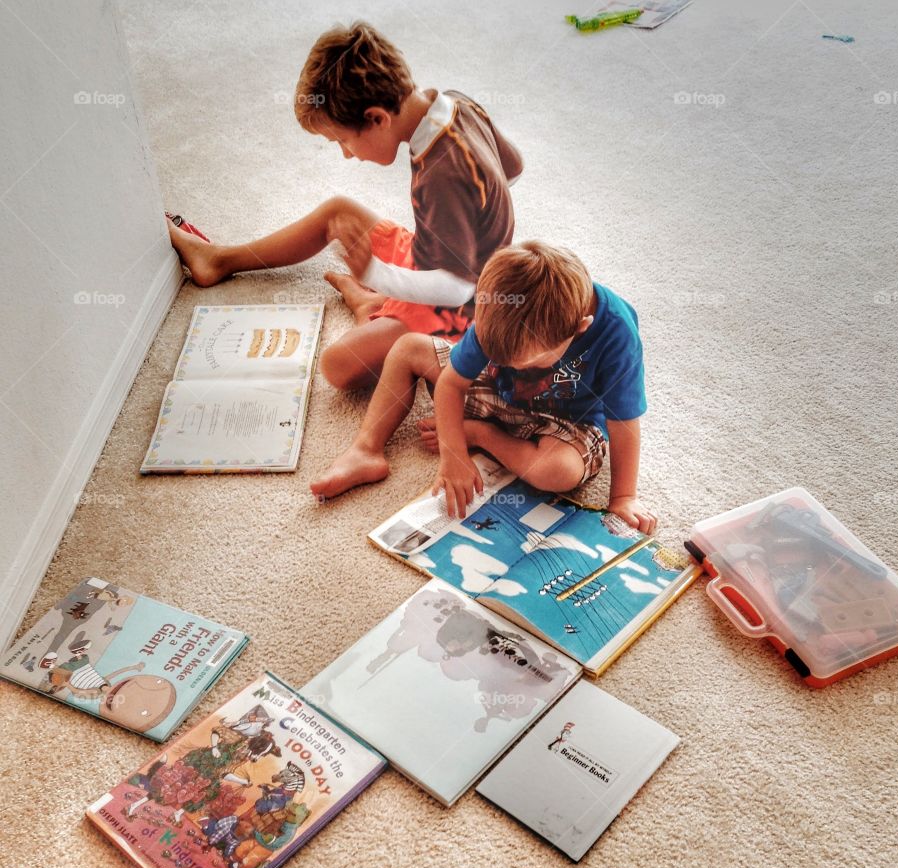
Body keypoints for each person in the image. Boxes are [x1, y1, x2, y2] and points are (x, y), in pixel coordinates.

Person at [167, 21, 522, 390]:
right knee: (337, 211)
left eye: (342, 140)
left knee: (337, 365)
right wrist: (472, 221)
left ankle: (372, 307)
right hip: (434, 259)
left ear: (377, 119)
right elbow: (513, 168)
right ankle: (220, 259)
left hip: (465, 310)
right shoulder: (455, 102)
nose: (346, 154)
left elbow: (454, 288)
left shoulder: (442, 174)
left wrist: (375, 273)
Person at [310, 241, 657, 533]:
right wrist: (453, 454)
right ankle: (365, 449)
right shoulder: (500, 310)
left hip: (568, 419)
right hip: (495, 390)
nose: (518, 368)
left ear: (580, 328)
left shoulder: (618, 334)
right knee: (407, 349)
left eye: (530, 362)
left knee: (559, 471)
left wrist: (623, 498)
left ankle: (481, 433)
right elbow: (451, 384)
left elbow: (624, 422)